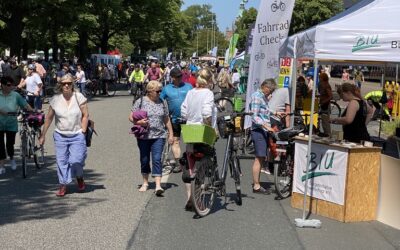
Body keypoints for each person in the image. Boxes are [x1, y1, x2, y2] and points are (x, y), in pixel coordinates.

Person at [39, 74, 89, 197]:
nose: (66, 85)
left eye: (69, 83)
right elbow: (49, 118)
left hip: (77, 134)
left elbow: (85, 115)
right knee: (62, 161)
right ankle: (63, 184)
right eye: (63, 83)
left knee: (76, 160)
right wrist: (43, 135)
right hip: (60, 135)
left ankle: (79, 176)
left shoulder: (79, 97)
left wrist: (83, 130)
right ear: (60, 85)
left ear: (73, 84)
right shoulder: (55, 99)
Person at [130, 80, 173, 196]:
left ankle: (158, 185)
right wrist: (139, 122)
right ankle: (145, 182)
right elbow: (131, 117)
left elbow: (166, 119)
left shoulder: (162, 102)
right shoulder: (141, 101)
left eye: (161, 91)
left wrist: (171, 133)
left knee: (157, 159)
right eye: (158, 91)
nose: (160, 93)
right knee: (144, 159)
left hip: (159, 135)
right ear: (150, 91)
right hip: (144, 136)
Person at [181, 68, 216, 210]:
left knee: (190, 164)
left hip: (190, 130)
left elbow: (183, 111)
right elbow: (207, 113)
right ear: (208, 81)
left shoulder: (190, 92)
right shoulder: (208, 93)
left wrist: (190, 119)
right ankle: (199, 197)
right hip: (202, 131)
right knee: (205, 161)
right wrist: (209, 128)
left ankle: (190, 196)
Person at [160, 68, 193, 173]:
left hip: (189, 119)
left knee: (190, 142)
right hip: (174, 120)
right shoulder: (166, 89)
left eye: (181, 76)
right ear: (172, 77)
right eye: (177, 76)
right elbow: (159, 101)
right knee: (175, 141)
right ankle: (179, 163)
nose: (180, 78)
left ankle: (190, 161)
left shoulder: (189, 87)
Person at [0, 76, 33, 175]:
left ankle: (11, 158)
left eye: (12, 85)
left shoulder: (15, 95)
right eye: (8, 85)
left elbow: (25, 104)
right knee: (0, 145)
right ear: (2, 85)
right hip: (0, 123)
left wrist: (33, 110)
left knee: (10, 144)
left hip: (11, 123)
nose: (11, 87)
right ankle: (1, 165)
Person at [249, 79, 277, 194]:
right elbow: (254, 116)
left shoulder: (262, 96)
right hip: (259, 130)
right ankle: (256, 185)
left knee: (261, 157)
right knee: (259, 157)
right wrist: (266, 126)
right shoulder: (257, 96)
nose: (270, 93)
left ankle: (257, 183)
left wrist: (274, 113)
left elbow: (263, 111)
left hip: (262, 130)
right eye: (270, 90)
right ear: (264, 86)